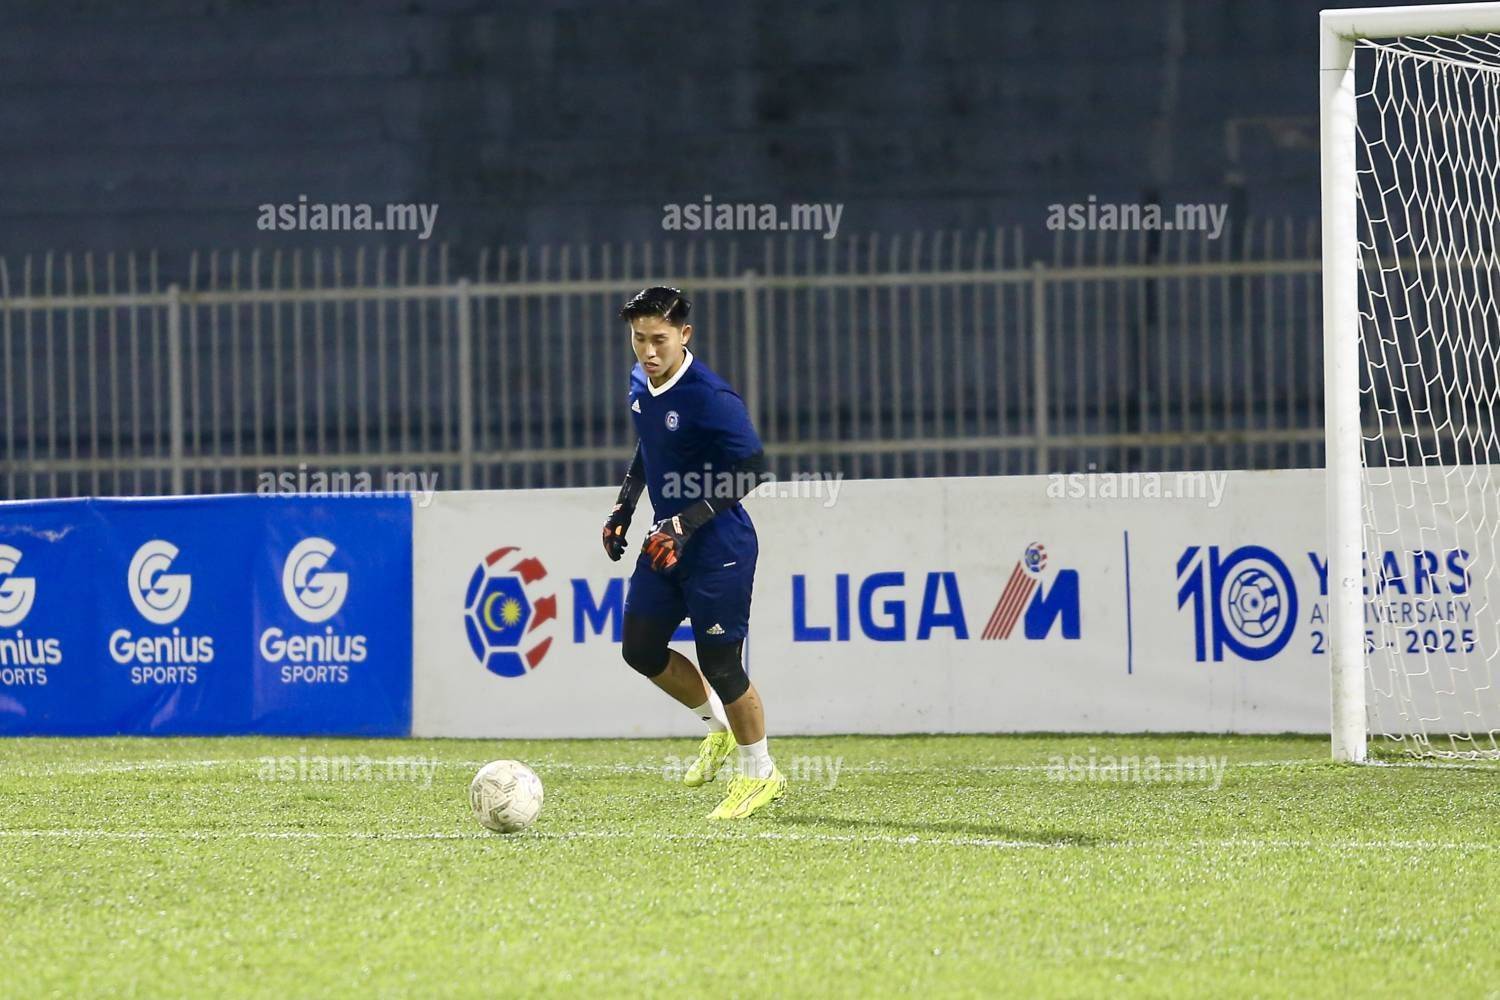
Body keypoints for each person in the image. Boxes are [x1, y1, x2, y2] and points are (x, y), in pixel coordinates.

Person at [601, 286, 783, 820]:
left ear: (685, 335)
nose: (648, 350)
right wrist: (623, 507)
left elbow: (753, 469)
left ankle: (761, 773)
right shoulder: (641, 383)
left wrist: (684, 523)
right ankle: (717, 729)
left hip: (718, 546)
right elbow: (650, 445)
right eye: (639, 339)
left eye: (659, 339)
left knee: (722, 665)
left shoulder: (710, 397)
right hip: (666, 543)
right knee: (640, 649)